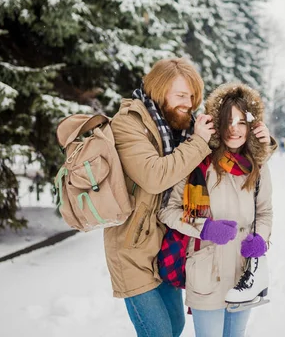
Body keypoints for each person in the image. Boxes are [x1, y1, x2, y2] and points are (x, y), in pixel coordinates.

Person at [104, 58, 272, 337]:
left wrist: (263, 144)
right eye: (181, 95)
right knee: (159, 332)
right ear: (159, 90)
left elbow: (232, 138)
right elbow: (154, 177)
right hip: (133, 248)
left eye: (192, 96)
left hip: (165, 247)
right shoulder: (129, 124)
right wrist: (204, 227)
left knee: (176, 326)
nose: (188, 103)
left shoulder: (178, 123)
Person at [159, 83, 274, 337]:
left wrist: (261, 240)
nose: (234, 129)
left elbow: (265, 212)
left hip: (244, 272)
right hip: (206, 272)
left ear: (251, 125)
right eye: (227, 121)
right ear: (217, 124)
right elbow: (168, 210)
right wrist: (205, 228)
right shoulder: (198, 160)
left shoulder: (257, 165)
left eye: (241, 122)